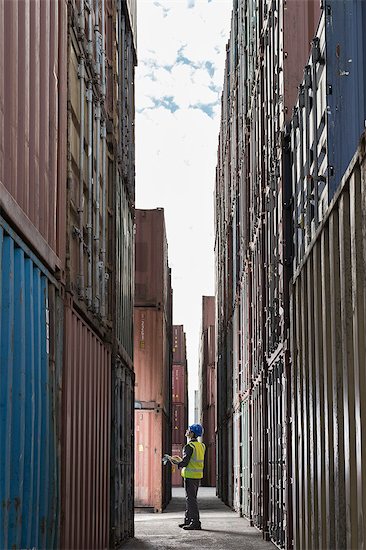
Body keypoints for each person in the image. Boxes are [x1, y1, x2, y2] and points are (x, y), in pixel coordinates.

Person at [176, 423, 206, 530]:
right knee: (191, 499)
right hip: (197, 476)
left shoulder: (189, 446)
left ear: (192, 433)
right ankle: (188, 520)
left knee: (191, 500)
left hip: (189, 476)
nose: (187, 431)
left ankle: (195, 522)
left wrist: (175, 461)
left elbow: (185, 462)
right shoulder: (201, 446)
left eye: (189, 430)